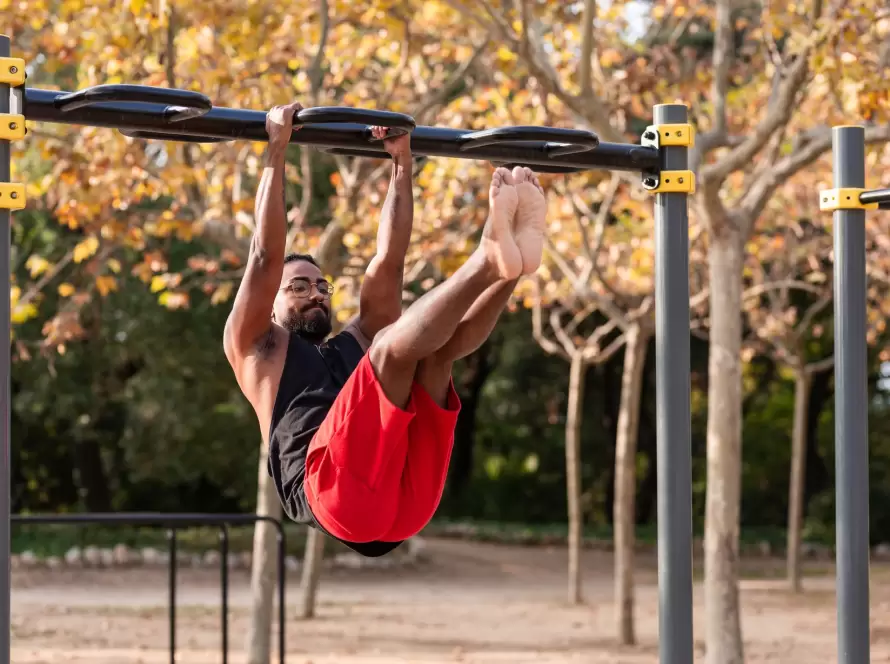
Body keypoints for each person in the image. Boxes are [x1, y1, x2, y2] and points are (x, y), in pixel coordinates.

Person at [224, 100, 547, 557]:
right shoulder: (258, 348)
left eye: (321, 285)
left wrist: (401, 165)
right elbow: (264, 257)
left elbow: (389, 262)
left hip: (408, 501)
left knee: (434, 352)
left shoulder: (353, 343)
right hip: (334, 495)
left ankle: (510, 268)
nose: (315, 293)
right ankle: (490, 260)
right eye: (297, 285)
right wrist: (277, 150)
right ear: (272, 301)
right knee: (392, 351)